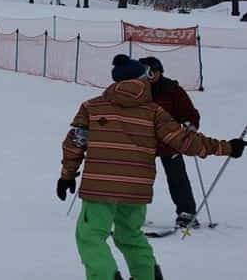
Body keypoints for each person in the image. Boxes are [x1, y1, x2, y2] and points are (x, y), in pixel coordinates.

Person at [57, 55, 244, 280]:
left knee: (90, 236)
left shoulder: (92, 107)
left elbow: (75, 143)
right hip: (136, 188)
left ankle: (104, 276)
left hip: (100, 187)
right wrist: (226, 148)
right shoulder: (154, 112)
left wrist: (67, 175)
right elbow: (185, 140)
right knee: (129, 235)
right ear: (143, 79)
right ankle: (146, 275)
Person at [138, 57, 202, 228]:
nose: (149, 76)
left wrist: (190, 124)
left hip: (169, 142)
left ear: (160, 72)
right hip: (142, 141)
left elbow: (189, 112)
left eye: (153, 72)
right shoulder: (136, 89)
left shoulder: (172, 90)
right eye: (146, 72)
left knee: (177, 177)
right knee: (137, 178)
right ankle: (132, 214)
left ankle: (186, 212)